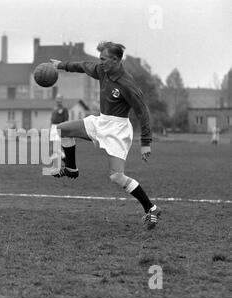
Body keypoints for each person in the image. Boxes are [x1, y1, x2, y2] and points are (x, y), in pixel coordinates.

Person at [49, 41, 162, 230]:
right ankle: (71, 168)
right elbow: (83, 66)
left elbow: (142, 111)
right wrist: (61, 65)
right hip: (101, 121)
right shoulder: (102, 70)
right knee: (62, 129)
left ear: (116, 60)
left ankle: (151, 208)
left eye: (103, 59)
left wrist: (146, 142)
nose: (100, 63)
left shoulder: (127, 83)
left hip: (117, 130)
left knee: (116, 176)